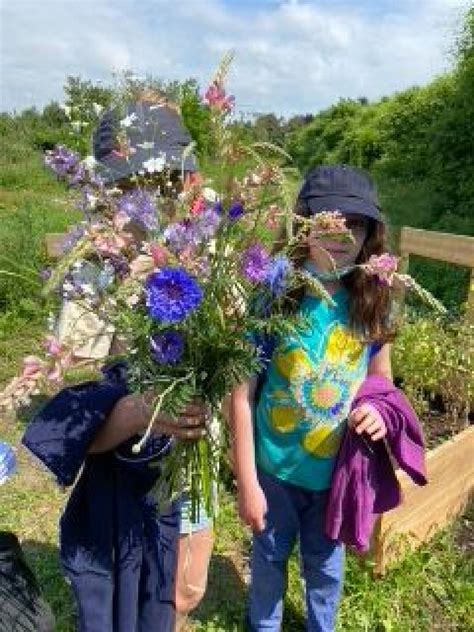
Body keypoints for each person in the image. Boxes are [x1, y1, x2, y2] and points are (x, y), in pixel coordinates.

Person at [22, 96, 213, 632]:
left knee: (184, 587)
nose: (147, 207)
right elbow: (70, 420)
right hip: (120, 481)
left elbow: (234, 369)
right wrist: (130, 415)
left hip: (191, 473)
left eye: (163, 188)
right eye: (128, 192)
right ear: (102, 195)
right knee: (120, 598)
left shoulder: (204, 257)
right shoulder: (92, 276)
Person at [229, 165, 426, 631]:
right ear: (303, 225)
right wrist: (247, 481)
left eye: (354, 226)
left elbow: (381, 382)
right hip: (274, 471)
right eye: (329, 223)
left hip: (335, 476)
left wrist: (376, 411)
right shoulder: (273, 298)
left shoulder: (374, 301)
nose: (341, 236)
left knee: (325, 566)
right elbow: (241, 395)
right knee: (269, 562)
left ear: (370, 235)